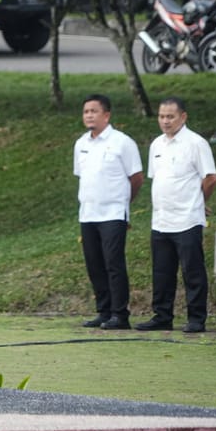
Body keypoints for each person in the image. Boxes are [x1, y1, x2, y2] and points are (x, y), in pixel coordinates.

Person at [135, 97, 216, 333]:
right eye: (161, 116)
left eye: (170, 116)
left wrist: (200, 201)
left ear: (183, 117)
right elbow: (158, 178)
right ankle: (162, 315)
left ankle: (196, 318)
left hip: (187, 218)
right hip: (161, 220)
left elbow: (210, 177)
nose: (165, 121)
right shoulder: (157, 145)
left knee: (192, 271)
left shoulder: (195, 143)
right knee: (162, 272)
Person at [73, 93, 143, 330]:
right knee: (94, 264)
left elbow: (136, 178)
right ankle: (103, 311)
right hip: (88, 213)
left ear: (107, 114)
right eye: (86, 112)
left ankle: (119, 314)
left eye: (94, 111)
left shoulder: (122, 142)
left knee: (114, 263)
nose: (89, 115)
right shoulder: (81, 144)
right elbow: (83, 177)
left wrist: (124, 201)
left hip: (113, 213)